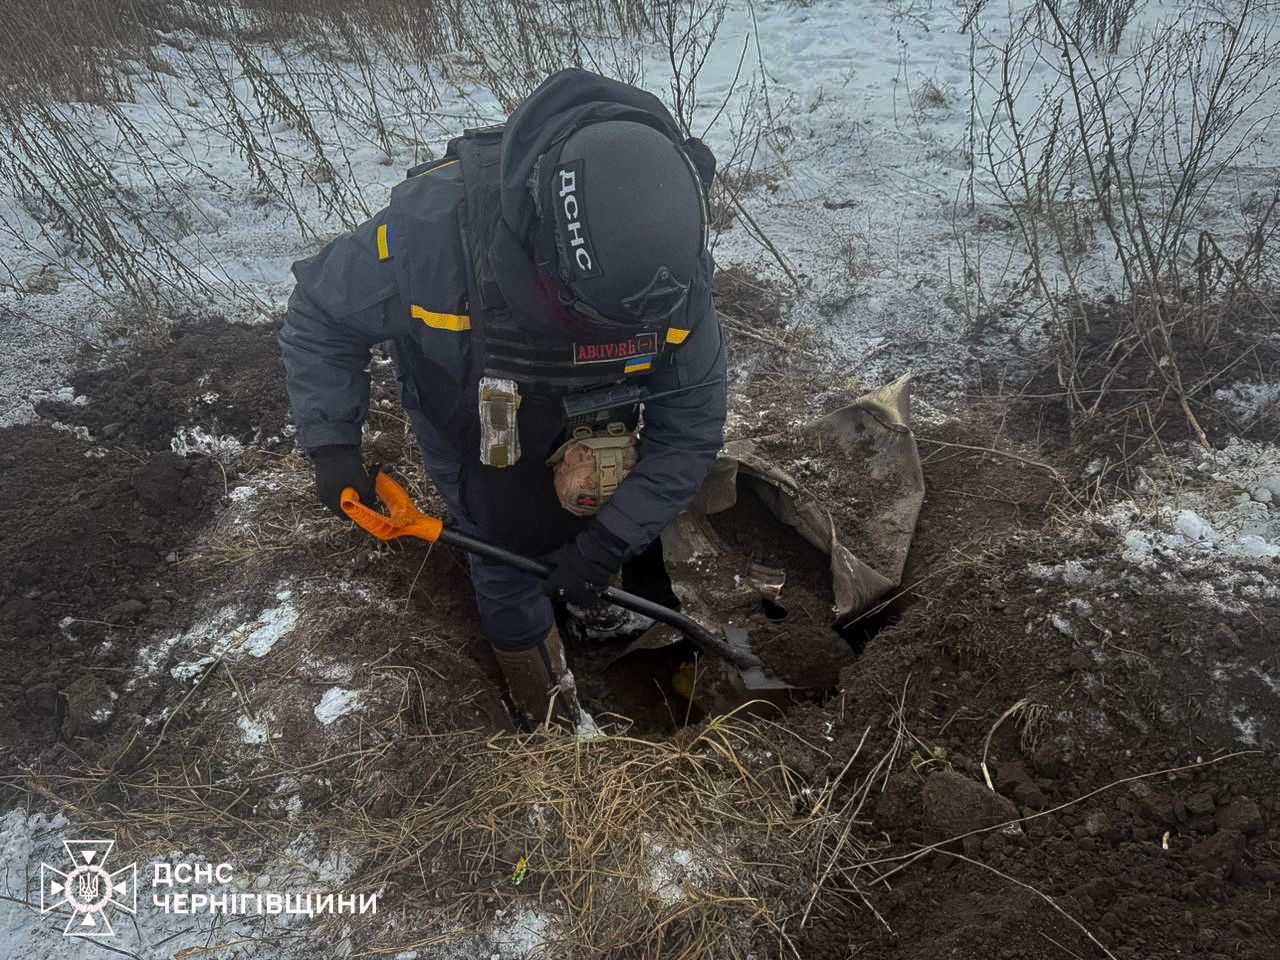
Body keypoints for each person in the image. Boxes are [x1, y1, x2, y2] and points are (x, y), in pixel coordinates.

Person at [279, 69, 727, 729]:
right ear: (549, 251)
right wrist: (332, 444)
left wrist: (606, 544)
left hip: (593, 424)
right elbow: (322, 311)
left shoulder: (672, 277)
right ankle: (546, 708)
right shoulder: (434, 234)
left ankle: (591, 602)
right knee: (506, 551)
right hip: (474, 419)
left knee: (601, 504)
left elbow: (688, 430)